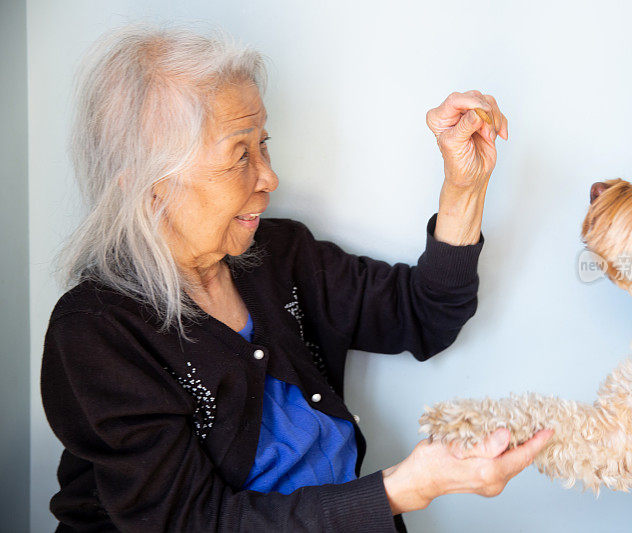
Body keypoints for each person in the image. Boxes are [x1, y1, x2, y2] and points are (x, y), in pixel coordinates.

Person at [40, 22, 553, 532]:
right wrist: (398, 490)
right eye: (240, 155)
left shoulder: (277, 254)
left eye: (263, 145)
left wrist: (465, 187)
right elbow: (195, 523)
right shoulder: (94, 332)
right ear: (150, 187)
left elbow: (426, 313)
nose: (269, 177)